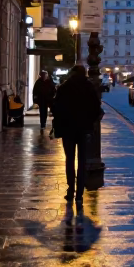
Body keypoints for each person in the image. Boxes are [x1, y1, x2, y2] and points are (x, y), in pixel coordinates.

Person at [52, 65, 103, 203]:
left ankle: (70, 189)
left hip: (68, 130)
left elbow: (56, 109)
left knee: (69, 160)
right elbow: (96, 108)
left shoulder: (64, 88)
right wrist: (90, 122)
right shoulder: (89, 88)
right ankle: (79, 193)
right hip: (84, 129)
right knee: (82, 160)